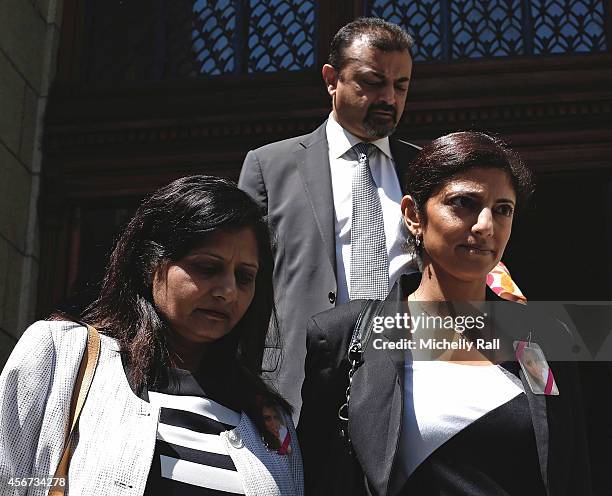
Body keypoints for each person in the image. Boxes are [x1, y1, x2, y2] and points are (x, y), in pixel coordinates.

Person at [238, 18, 524, 415]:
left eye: (401, 86)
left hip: (411, 377)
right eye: (373, 82)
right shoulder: (270, 167)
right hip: (296, 383)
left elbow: (467, 251)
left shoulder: (428, 170)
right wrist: (247, 382)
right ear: (331, 79)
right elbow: (244, 281)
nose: (389, 97)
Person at [298, 132, 590, 496]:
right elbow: (318, 475)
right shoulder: (343, 337)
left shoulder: (545, 337)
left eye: (503, 209)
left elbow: (573, 468)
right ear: (413, 215)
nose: (485, 226)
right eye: (464, 203)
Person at [0, 176, 303, 496]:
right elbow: (9, 481)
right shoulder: (63, 354)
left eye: (244, 277)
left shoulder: (268, 417)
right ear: (150, 265)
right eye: (206, 268)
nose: (228, 291)